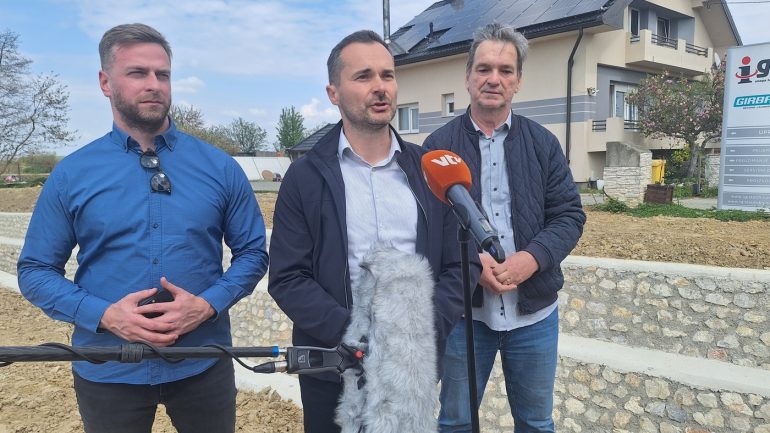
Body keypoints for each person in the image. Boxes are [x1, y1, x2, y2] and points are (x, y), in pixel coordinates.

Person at [17, 23, 268, 433]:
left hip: (202, 362)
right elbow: (35, 271)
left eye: (162, 74)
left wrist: (207, 305)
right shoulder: (71, 175)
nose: (154, 85)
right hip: (108, 367)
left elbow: (253, 254)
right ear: (105, 82)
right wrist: (104, 315)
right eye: (137, 73)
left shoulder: (220, 168)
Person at [268, 30, 479, 433]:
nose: (380, 86)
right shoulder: (305, 177)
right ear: (333, 92)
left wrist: (425, 328)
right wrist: (355, 335)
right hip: (332, 369)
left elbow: (462, 264)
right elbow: (288, 277)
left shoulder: (431, 172)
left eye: (388, 75)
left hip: (410, 368)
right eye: (363, 76)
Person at [424, 23, 586, 433]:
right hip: (464, 316)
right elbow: (425, 227)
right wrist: (472, 263)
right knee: (456, 423)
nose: (493, 79)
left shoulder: (543, 144)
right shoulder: (437, 149)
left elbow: (569, 215)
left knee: (535, 423)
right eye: (483, 69)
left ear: (518, 81)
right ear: (467, 77)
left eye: (505, 70)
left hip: (534, 315)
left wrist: (531, 259)